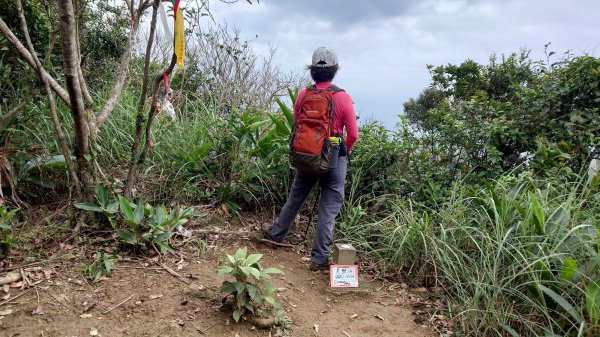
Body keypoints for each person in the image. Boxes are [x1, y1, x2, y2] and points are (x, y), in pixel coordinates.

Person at [260, 47, 359, 271]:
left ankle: (276, 234)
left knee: (296, 197)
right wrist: (345, 151)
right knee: (329, 208)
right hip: (333, 158)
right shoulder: (342, 97)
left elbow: (297, 124)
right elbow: (352, 134)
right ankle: (319, 258)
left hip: (307, 154)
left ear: (312, 70)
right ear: (334, 71)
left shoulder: (304, 95)